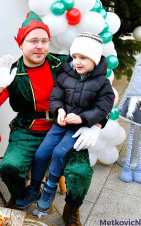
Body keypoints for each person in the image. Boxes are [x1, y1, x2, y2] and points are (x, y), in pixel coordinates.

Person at [0, 12, 109, 226]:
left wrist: (97, 125)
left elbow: (100, 91)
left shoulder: (65, 63)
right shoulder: (12, 73)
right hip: (27, 130)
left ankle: (72, 207)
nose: (40, 46)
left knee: (80, 172)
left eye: (44, 41)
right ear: (21, 43)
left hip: (65, 128)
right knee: (9, 167)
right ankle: (22, 195)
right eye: (33, 41)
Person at [14, 32, 114, 213]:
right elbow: (56, 97)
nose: (77, 62)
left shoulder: (102, 83)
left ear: (95, 59)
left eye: (83, 57)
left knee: (60, 153)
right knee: (42, 153)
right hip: (60, 124)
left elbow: (103, 107)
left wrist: (84, 119)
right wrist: (59, 110)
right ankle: (34, 187)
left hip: (78, 129)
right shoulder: (66, 75)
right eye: (74, 56)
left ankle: (50, 188)